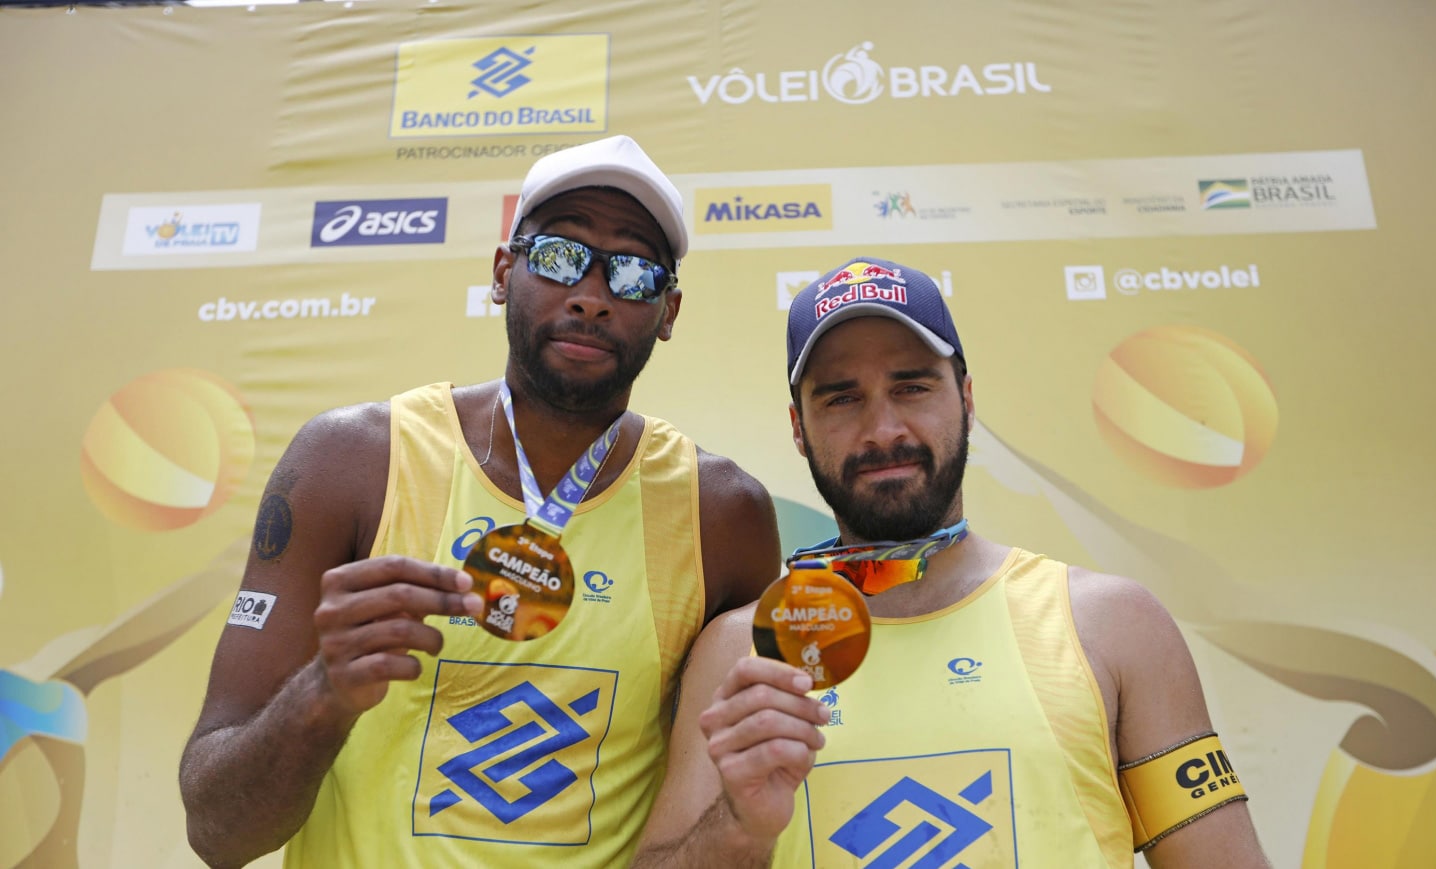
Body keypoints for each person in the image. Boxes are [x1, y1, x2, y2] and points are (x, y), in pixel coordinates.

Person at [178, 135, 782, 868]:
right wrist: (323, 693)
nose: (591, 295)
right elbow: (216, 831)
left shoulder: (722, 516)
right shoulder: (353, 462)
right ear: (503, 272)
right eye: (560, 254)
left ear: (668, 310)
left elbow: (714, 812)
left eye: (632, 271)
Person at [631, 257, 1273, 868]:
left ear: (966, 397)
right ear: (799, 427)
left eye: (912, 386)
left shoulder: (1109, 625)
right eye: (842, 398)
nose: (883, 429)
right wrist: (738, 827)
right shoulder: (745, 650)